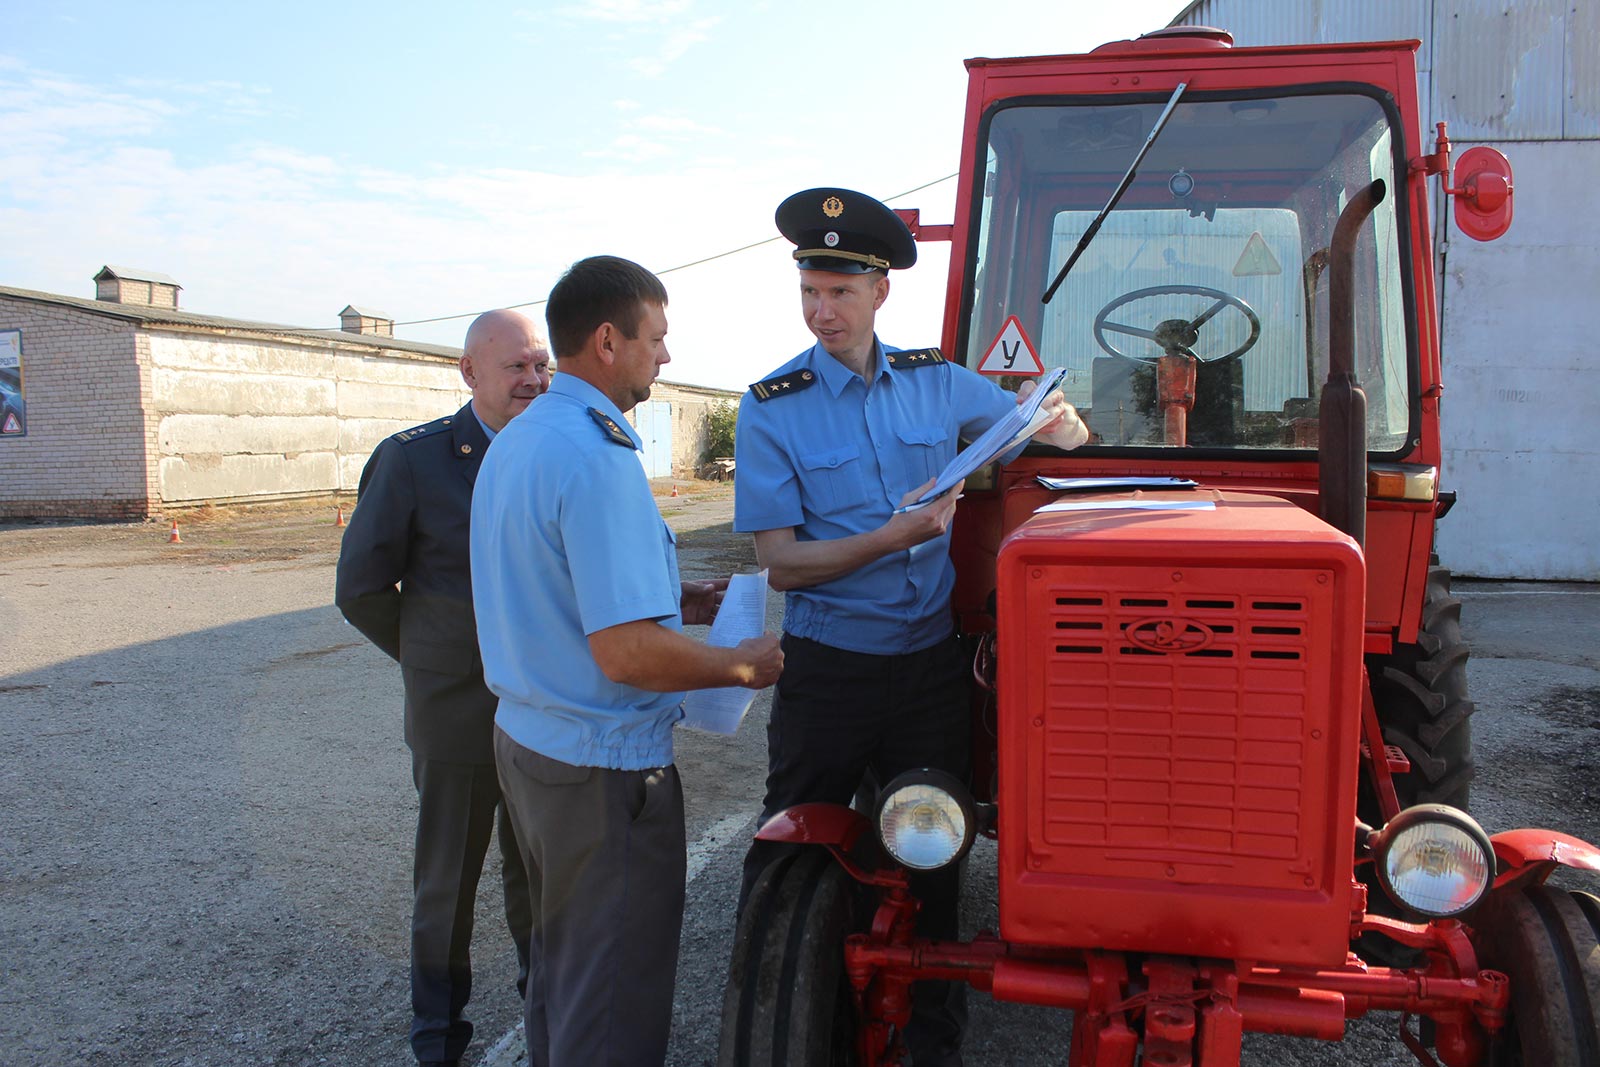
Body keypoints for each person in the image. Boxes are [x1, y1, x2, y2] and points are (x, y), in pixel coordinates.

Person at [732, 188, 1088, 1067]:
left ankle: (934, 1045)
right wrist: (891, 536)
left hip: (926, 670)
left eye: (840, 293)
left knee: (934, 860)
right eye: (810, 291)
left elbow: (1037, 430)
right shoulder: (772, 404)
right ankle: (792, 1020)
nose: (823, 312)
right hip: (829, 672)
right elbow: (780, 561)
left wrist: (1058, 423)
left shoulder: (936, 382)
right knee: (794, 852)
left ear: (880, 292)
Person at [471, 255, 784, 1067]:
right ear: (608, 340)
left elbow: (556, 586)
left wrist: (677, 597)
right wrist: (744, 666)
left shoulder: (522, 435)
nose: (667, 357)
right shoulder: (597, 453)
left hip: (534, 748)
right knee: (611, 995)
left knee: (566, 976)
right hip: (601, 773)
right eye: (658, 337)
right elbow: (626, 652)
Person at [334, 308, 550, 1067]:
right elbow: (361, 586)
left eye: (539, 365)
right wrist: (432, 657)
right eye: (516, 366)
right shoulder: (416, 459)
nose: (532, 379)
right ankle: (437, 1039)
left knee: (539, 876)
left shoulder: (553, 452)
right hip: (457, 711)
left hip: (540, 711)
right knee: (447, 885)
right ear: (470, 372)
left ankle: (546, 1019)